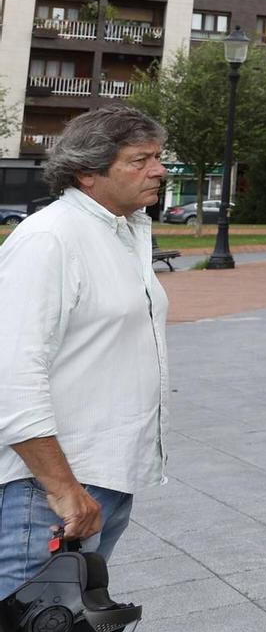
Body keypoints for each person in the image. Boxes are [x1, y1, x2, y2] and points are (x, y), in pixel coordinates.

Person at [0, 107, 170, 594]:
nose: (158, 170)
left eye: (158, 157)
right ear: (87, 173)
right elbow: (11, 376)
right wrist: (63, 488)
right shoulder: (50, 239)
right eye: (140, 160)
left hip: (102, 481)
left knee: (67, 631)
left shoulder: (122, 230)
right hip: (49, 489)